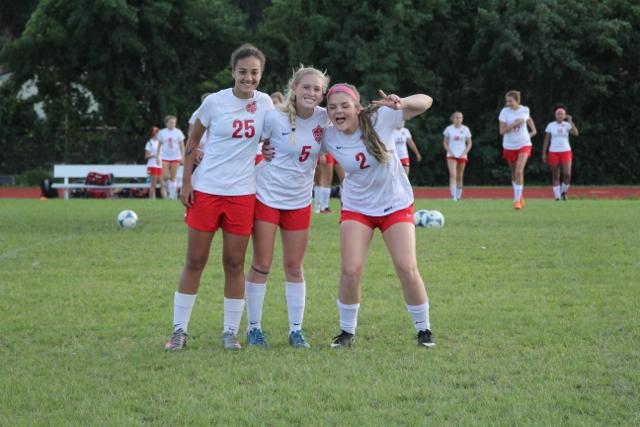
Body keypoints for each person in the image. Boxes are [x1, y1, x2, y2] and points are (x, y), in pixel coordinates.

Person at [164, 44, 274, 351]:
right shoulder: (214, 102)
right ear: (233, 73)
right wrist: (186, 182)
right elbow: (193, 141)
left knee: (234, 262)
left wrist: (267, 148)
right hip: (208, 190)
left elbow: (272, 137)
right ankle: (179, 331)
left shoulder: (266, 104)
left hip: (242, 194)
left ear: (260, 74)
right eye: (243, 72)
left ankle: (229, 332)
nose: (248, 78)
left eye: (254, 72)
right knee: (195, 260)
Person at [320, 83, 436, 348]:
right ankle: (347, 332)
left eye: (344, 106)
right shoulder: (328, 136)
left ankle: (424, 330)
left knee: (406, 267)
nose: (338, 111)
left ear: (358, 109)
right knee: (350, 270)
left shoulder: (380, 117)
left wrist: (402, 101)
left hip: (395, 204)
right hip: (357, 207)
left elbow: (426, 100)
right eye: (333, 107)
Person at [245, 66, 330, 348]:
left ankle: (296, 330)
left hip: (298, 201)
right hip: (267, 197)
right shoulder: (272, 115)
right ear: (294, 87)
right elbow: (249, 144)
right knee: (262, 263)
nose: (311, 93)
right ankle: (254, 328)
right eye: (306, 87)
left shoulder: (324, 118)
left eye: (317, 89)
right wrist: (261, 151)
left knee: (294, 266)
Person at [498, 90, 537, 209]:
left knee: (519, 171)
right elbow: (502, 131)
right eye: (507, 101)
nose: (508, 103)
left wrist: (533, 130)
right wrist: (513, 125)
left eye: (511, 101)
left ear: (517, 101)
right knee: (514, 172)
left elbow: (527, 118)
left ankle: (516, 201)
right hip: (509, 145)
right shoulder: (504, 112)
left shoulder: (525, 109)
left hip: (524, 143)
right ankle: (519, 196)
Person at [542, 105, 579, 200]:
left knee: (567, 174)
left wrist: (570, 120)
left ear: (565, 115)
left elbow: (575, 133)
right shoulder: (551, 125)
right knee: (555, 175)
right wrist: (544, 153)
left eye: (561, 114)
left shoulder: (567, 125)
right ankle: (557, 197)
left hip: (566, 151)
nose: (559, 115)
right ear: (555, 115)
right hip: (553, 152)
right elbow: (546, 139)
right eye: (558, 113)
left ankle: (563, 192)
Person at [442, 112, 472, 200]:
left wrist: (464, 152)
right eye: (456, 117)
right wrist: (450, 151)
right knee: (453, 174)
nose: (458, 119)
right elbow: (445, 142)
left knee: (460, 175)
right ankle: (453, 196)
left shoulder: (466, 129)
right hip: (451, 155)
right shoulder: (448, 129)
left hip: (462, 155)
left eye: (460, 117)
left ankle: (459, 195)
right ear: (453, 119)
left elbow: (469, 143)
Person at [157, 115, 185, 200]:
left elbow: (182, 145)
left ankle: (172, 195)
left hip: (175, 156)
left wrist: (183, 156)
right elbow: (159, 145)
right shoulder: (162, 132)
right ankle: (170, 192)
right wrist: (157, 156)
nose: (172, 124)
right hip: (165, 156)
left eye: (174, 123)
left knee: (173, 177)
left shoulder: (178, 132)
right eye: (171, 122)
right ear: (166, 123)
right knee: (165, 176)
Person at [188, 93, 211, 167]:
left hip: (211, 147)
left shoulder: (218, 113)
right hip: (200, 147)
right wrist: (196, 147)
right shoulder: (196, 114)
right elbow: (190, 132)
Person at [144, 127, 165, 199]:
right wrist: (154, 155)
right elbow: (146, 156)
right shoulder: (149, 142)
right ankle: (152, 199)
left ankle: (166, 199)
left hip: (160, 165)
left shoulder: (161, 142)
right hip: (152, 165)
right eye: (157, 132)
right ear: (154, 133)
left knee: (162, 183)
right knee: (153, 184)